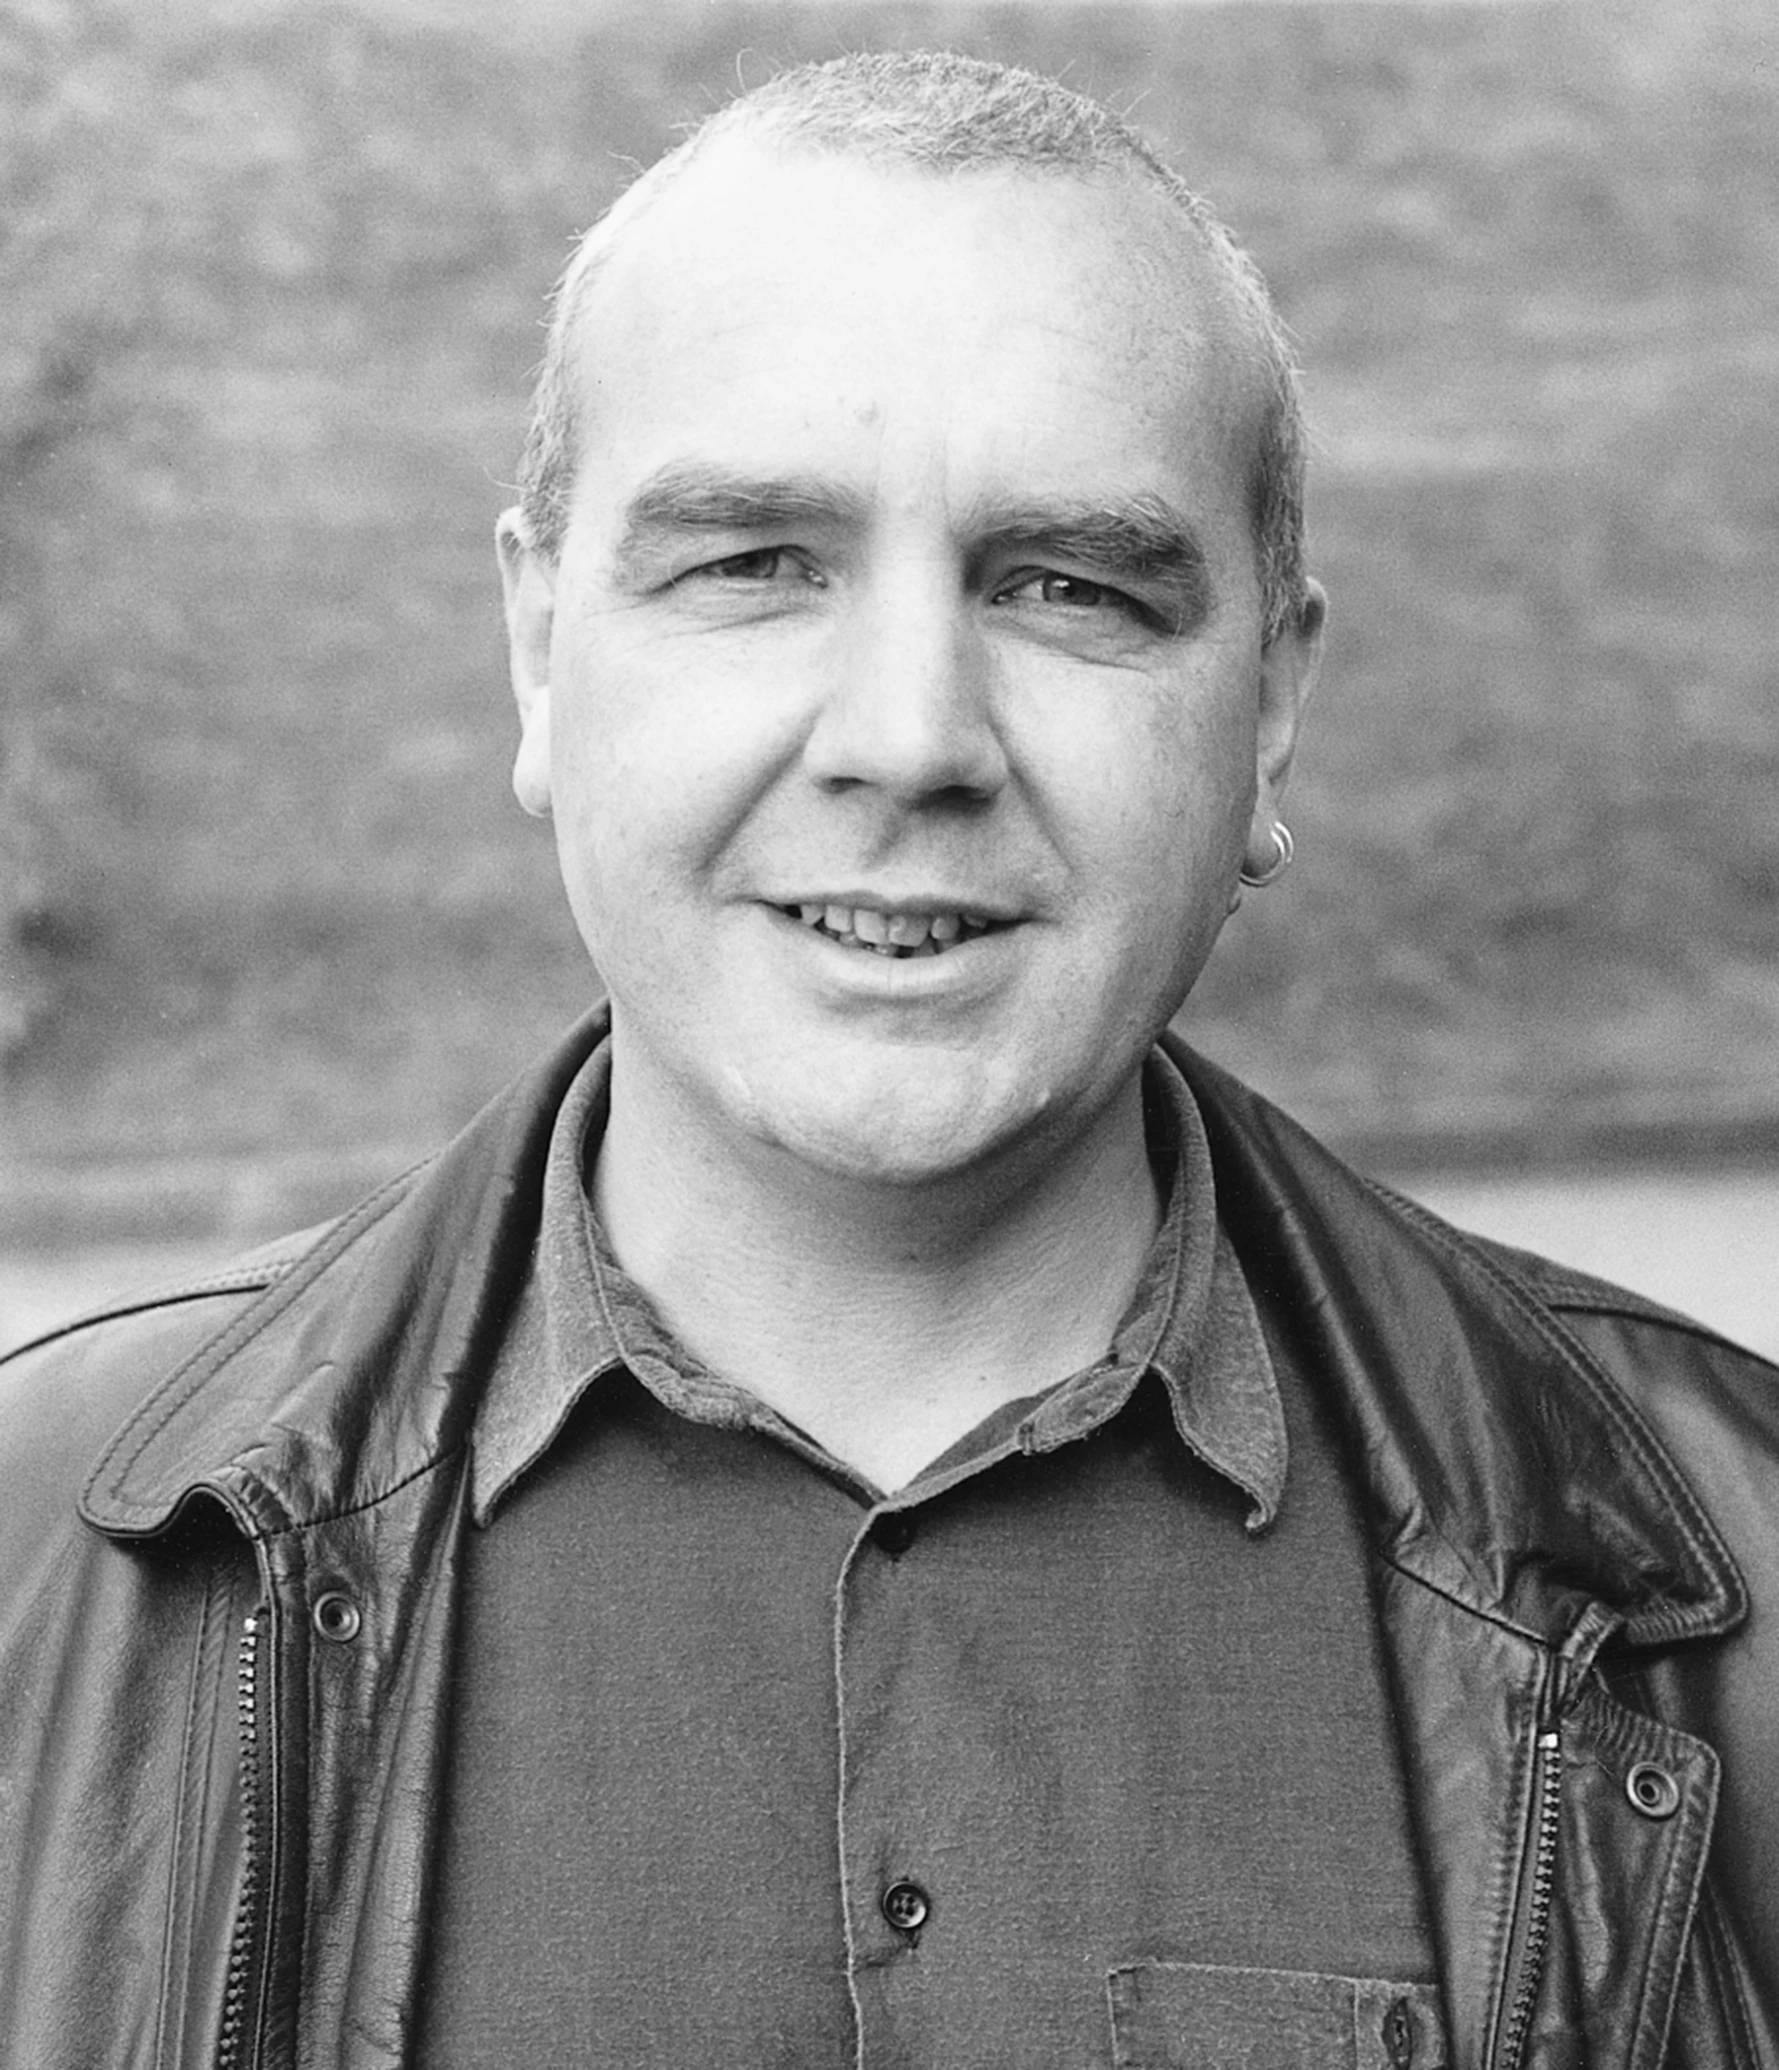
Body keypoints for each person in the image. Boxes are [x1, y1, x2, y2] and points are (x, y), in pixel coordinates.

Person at [1, 48, 1774, 2070]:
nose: (909, 736)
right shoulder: (34, 1567)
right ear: (538, 650)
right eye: (757, 565)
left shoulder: (1741, 1580)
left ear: (1268, 709)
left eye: (1069, 585)